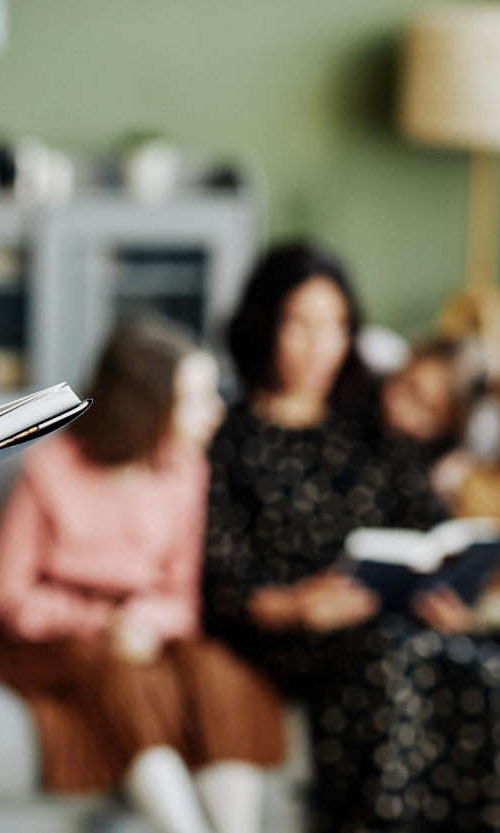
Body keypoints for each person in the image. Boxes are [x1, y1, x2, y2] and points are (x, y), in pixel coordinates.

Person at [204, 243, 500, 832]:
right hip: (300, 635)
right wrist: (297, 605)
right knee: (394, 663)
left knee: (480, 662)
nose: (322, 346)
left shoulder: (368, 423)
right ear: (264, 324)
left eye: (337, 326)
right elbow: (221, 580)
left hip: (392, 621)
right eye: (302, 325)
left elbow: (431, 534)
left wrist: (453, 596)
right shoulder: (228, 439)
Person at [0, 322, 286, 833]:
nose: (216, 410)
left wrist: (143, 622)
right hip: (56, 636)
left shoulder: (188, 470)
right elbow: (5, 595)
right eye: (196, 399)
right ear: (145, 407)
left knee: (216, 675)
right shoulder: (49, 468)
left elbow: (180, 596)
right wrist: (101, 621)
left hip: (144, 630)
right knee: (123, 682)